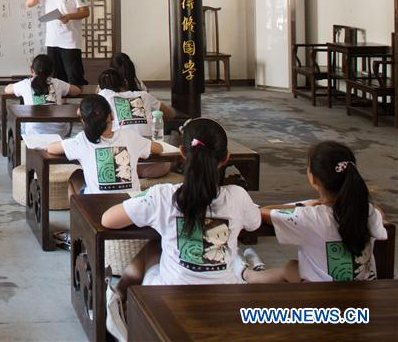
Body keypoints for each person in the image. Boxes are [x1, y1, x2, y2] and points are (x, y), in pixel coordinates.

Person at [99, 119, 261, 341]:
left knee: (153, 249)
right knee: (237, 260)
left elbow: (108, 220)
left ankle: (119, 301)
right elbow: (254, 224)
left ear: (183, 152)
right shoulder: (238, 197)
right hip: (226, 299)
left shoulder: (164, 196)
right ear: (225, 158)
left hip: (166, 300)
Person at [244, 141, 387, 283]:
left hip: (320, 298)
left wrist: (304, 205)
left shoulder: (309, 216)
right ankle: (253, 272)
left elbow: (262, 212)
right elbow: (378, 212)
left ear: (313, 179)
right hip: (364, 293)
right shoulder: (367, 211)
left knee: (289, 268)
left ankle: (247, 275)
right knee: (292, 267)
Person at [47, 95, 165, 197]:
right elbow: (159, 148)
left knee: (76, 176)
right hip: (131, 204)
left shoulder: (82, 140)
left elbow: (51, 148)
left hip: (97, 205)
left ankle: (79, 217)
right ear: (112, 115)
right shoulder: (130, 136)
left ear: (83, 121)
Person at [26, 0, 90, 86]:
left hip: (70, 41)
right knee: (56, 81)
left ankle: (79, 107)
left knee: (74, 79)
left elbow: (85, 12)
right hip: (52, 41)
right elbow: (29, 3)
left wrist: (68, 16)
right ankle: (61, 107)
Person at [4, 53, 81, 137]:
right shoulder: (58, 83)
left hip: (34, 132)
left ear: (31, 70)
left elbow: (7, 89)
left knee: (20, 121)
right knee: (68, 113)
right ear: (52, 71)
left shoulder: (25, 84)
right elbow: (77, 90)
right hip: (59, 132)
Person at [98, 69, 175, 137]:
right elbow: (171, 114)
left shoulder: (104, 96)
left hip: (121, 144)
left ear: (100, 88)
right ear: (125, 83)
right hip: (149, 142)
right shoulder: (144, 95)